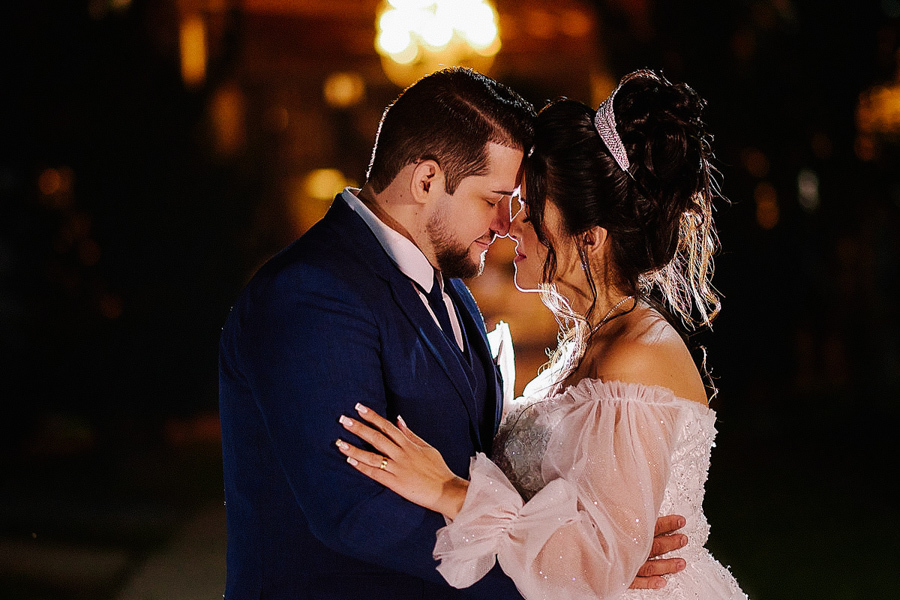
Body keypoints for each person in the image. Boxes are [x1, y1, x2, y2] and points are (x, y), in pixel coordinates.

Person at [219, 67, 687, 600]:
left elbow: (481, 464)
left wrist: (595, 551)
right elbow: (355, 510)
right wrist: (568, 576)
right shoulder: (309, 294)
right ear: (426, 181)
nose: (505, 223)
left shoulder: (451, 290)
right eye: (492, 200)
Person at [336, 70, 749, 599]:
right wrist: (613, 552)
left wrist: (449, 490)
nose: (510, 225)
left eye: (529, 210)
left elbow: (594, 563)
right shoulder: (590, 343)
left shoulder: (635, 358)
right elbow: (602, 547)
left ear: (591, 237)